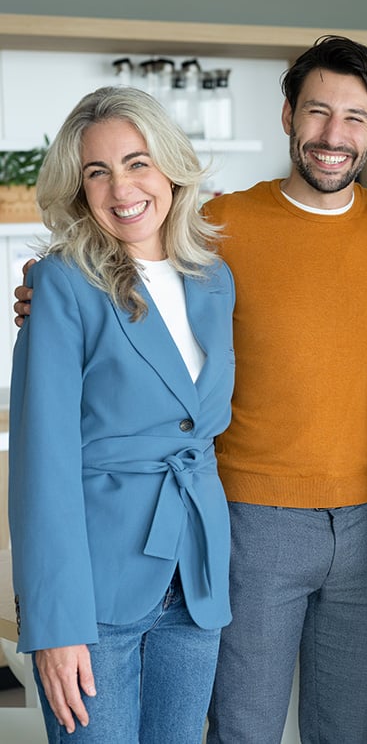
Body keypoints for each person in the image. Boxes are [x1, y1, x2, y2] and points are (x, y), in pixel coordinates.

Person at [14, 36, 367, 743]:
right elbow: (41, 464)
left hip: (257, 555)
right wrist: (45, 297)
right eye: (317, 111)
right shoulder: (197, 238)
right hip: (182, 548)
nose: (333, 134)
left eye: (354, 118)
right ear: (288, 115)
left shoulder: (228, 265)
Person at [9, 86, 235, 743]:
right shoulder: (62, 285)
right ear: (78, 190)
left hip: (194, 580)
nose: (121, 188)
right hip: (96, 595)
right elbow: (41, 467)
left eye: (137, 162)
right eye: (97, 172)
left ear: (169, 167)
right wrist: (54, 625)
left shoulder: (213, 280)